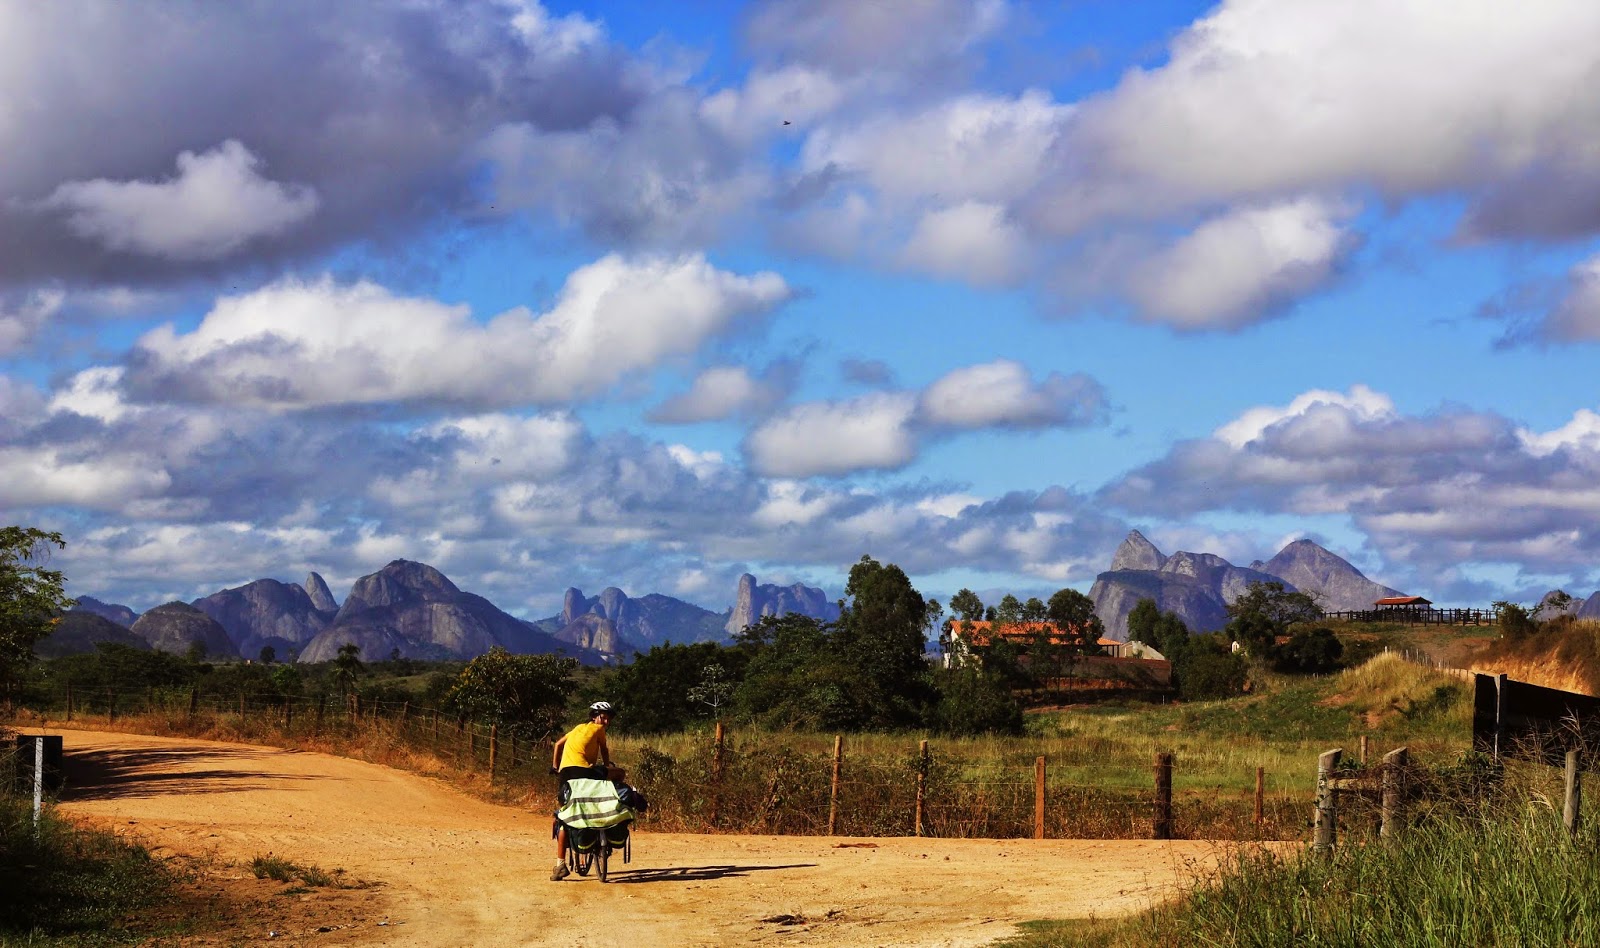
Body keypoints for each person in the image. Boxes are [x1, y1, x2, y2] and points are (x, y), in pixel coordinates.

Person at [550, 701, 615, 880]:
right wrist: (608, 767)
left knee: (564, 816)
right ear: (595, 717)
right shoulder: (598, 729)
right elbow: (604, 750)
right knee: (616, 776)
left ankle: (560, 864)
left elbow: (557, 745)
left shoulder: (578, 728)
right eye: (603, 718)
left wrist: (555, 766)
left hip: (566, 774)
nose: (606, 722)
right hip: (585, 771)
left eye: (608, 719)